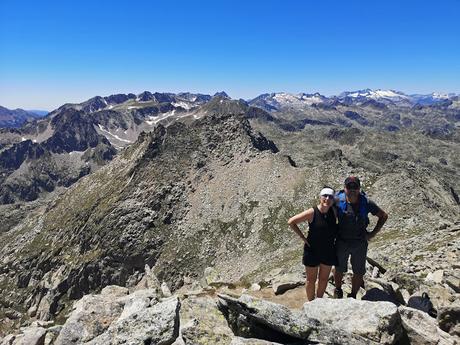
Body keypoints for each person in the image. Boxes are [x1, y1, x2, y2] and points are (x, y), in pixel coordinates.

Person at [333, 176, 388, 299]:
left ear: (359, 189)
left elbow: (383, 216)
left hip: (360, 242)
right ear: (344, 188)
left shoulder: (366, 202)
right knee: (338, 268)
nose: (352, 190)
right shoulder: (337, 201)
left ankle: (352, 295)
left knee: (358, 271)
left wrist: (372, 233)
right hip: (341, 241)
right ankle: (338, 290)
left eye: (355, 187)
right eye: (349, 187)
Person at [288, 187, 338, 301]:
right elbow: (291, 222)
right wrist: (302, 237)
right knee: (311, 280)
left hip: (328, 250)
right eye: (325, 196)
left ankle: (319, 301)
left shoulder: (334, 211)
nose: (327, 198)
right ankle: (311, 302)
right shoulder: (312, 212)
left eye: (330, 196)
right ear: (320, 197)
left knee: (324, 279)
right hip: (312, 251)